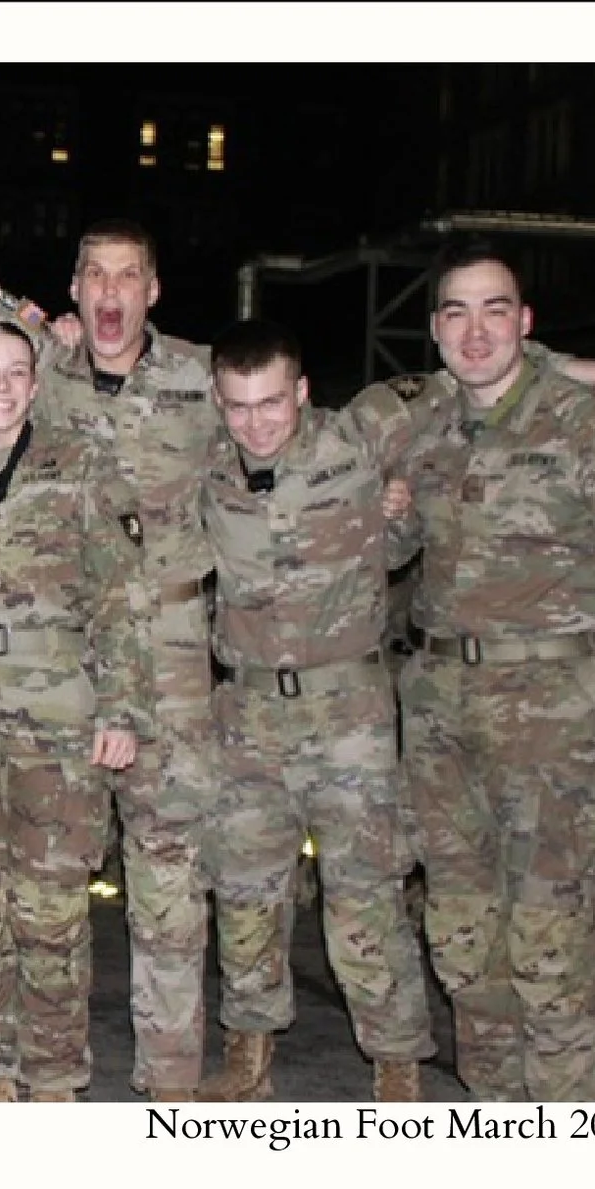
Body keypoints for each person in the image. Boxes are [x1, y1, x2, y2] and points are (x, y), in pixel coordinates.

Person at [0, 117, 218, 1098]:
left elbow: (297, 422)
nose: (109, 292)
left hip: (170, 652)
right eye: (94, 275)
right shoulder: (38, 359)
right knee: (27, 880)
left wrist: (574, 372)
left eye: (128, 277)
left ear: (152, 290)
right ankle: (9, 1071)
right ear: (72, 288)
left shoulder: (203, 379)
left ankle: (170, 1085)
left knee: (165, 877)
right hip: (54, 657)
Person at [393, 253, 595, 1100]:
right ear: (434, 330)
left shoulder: (591, 429)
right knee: (464, 939)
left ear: (525, 323)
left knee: (550, 942)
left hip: (550, 722)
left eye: (495, 309)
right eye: (456, 313)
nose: (476, 331)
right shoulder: (427, 428)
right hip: (442, 721)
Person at [196, 323, 435, 1102]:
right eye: (238, 407)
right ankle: (248, 1058)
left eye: (272, 402)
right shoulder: (207, 467)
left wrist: (593, 369)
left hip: (348, 715)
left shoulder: (357, 436)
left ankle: (395, 1065)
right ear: (218, 403)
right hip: (248, 713)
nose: (256, 423)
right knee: (244, 894)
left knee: (365, 893)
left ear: (301, 391)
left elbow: (475, 368)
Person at [0, 320, 143, 1100]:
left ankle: (52, 1077)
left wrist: (122, 708)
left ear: (36, 384)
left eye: (15, 371)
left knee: (49, 904)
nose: (0, 386)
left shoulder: (78, 467)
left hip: (56, 708)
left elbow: (120, 595)